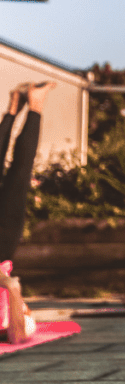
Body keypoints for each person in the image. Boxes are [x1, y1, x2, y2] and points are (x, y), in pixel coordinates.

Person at [0, 82, 55, 343]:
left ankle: (20, 107)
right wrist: (10, 287)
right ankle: (27, 105)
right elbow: (19, 334)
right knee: (18, 177)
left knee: (19, 176)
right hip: (2, 250)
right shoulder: (14, 319)